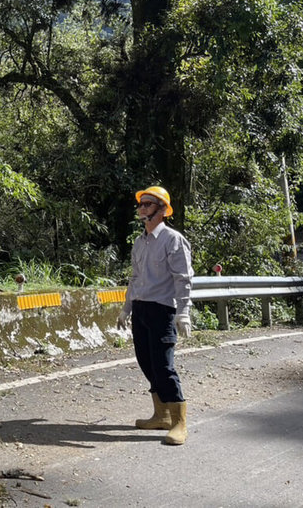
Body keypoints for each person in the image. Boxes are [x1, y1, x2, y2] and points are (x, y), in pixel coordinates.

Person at [116, 186, 193, 445]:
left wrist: (183, 312)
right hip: (141, 308)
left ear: (162, 211)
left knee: (163, 366)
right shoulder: (139, 242)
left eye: (147, 204)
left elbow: (183, 279)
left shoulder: (173, 240)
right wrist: (126, 308)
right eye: (141, 204)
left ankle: (179, 422)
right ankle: (161, 415)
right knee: (146, 361)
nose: (141, 208)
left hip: (162, 309)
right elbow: (135, 278)